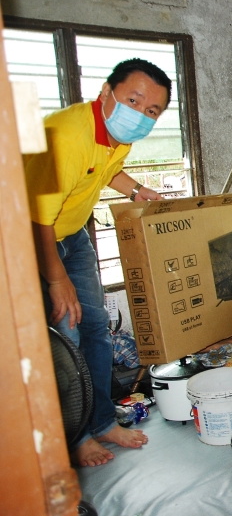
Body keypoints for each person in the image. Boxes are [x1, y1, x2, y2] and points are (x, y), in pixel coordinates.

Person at [25, 58, 171, 467]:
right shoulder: (67, 136)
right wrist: (57, 280)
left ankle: (103, 422)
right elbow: (37, 218)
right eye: (133, 99)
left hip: (71, 235)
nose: (140, 114)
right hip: (30, 236)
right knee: (65, 339)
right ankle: (75, 438)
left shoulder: (115, 135)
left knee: (96, 330)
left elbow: (106, 169)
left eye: (151, 111)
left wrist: (136, 191)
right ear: (107, 92)